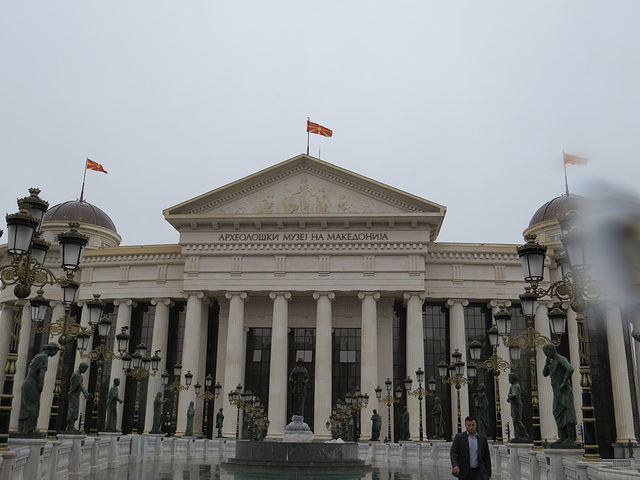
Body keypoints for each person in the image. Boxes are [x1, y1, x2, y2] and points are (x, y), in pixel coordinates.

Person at [18, 342, 60, 433]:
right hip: (32, 385)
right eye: (55, 351)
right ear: (51, 349)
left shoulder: (39, 355)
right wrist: (41, 385)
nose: (56, 354)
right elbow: (41, 372)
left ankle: (24, 428)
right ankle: (30, 429)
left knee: (26, 407)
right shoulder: (44, 357)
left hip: (28, 384)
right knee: (33, 407)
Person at [542, 343, 578, 445]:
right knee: (557, 412)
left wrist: (564, 382)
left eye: (546, 352)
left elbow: (570, 369)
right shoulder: (552, 362)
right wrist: (546, 363)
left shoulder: (560, 359)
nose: (545, 354)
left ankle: (570, 438)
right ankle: (562, 437)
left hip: (564, 390)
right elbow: (544, 374)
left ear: (551, 351)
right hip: (557, 391)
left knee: (567, 413)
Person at [450, 416, 492, 480]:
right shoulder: (459, 437)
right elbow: (453, 452)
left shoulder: (482, 439)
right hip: (465, 472)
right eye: (469, 425)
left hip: (479, 472)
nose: (471, 427)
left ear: (476, 425)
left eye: (473, 425)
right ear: (465, 426)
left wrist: (489, 474)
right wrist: (455, 465)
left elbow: (486, 457)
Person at [66, 362, 93, 432]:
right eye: (85, 369)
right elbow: (80, 385)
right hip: (73, 395)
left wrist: (86, 393)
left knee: (74, 409)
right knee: (73, 410)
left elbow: (80, 385)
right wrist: (85, 393)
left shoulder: (79, 376)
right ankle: (70, 427)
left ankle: (71, 426)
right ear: (81, 367)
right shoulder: (76, 375)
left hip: (76, 395)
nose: (85, 371)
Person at [507, 372, 530, 442]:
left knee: (517, 420)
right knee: (515, 420)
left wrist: (509, 396)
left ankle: (524, 435)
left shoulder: (515, 386)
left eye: (509, 378)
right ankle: (518, 435)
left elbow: (514, 395)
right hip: (514, 404)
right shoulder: (514, 385)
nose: (508, 379)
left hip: (516, 405)